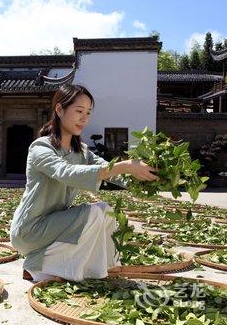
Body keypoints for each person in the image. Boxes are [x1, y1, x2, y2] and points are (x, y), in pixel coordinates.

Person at [10, 84, 159, 282]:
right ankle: (37, 266)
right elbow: (66, 172)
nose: (84, 118)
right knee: (95, 212)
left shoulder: (81, 151)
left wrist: (151, 178)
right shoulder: (41, 147)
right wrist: (126, 165)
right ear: (60, 109)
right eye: (79, 111)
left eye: (88, 112)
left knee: (107, 212)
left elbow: (111, 171)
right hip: (30, 230)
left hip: (57, 223)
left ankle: (99, 269)